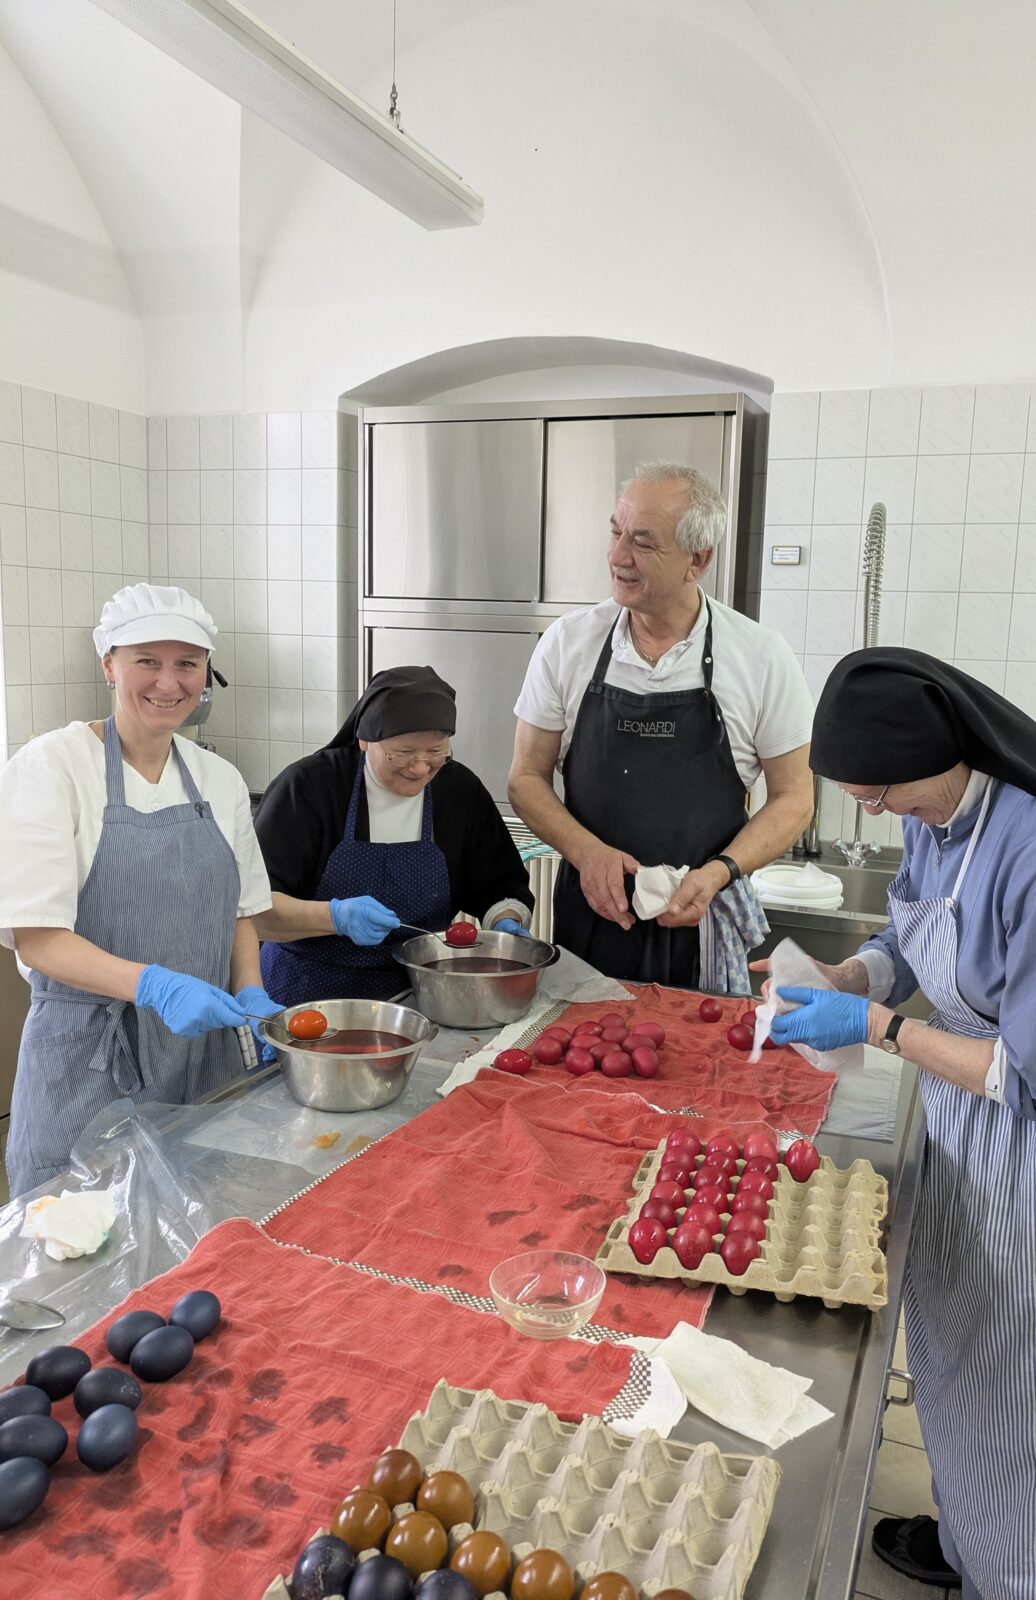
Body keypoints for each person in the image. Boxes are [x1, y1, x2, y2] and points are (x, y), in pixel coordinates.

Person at [766, 647, 1036, 1600]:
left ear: (940, 751)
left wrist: (879, 1029)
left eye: (880, 792)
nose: (874, 813)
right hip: (986, 1120)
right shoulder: (942, 814)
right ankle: (981, 1543)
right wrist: (848, 979)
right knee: (978, 1359)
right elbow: (910, 932)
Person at [0, 584, 279, 1197]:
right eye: (146, 661)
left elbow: (240, 912)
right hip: (87, 1062)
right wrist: (153, 985)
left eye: (187, 663)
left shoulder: (218, 777)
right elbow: (39, 939)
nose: (168, 682)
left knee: (198, 1225)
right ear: (109, 665)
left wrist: (252, 987)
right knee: (78, 1244)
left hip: (201, 1054)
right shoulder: (53, 766)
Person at [508, 461, 814, 987]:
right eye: (615, 530)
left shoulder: (760, 656)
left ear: (699, 559)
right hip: (590, 919)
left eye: (643, 542)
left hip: (705, 925)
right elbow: (525, 777)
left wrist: (720, 872)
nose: (616, 555)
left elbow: (794, 798)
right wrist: (587, 853)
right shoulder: (568, 643)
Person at [253, 665, 534, 1006]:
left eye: (435, 752)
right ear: (365, 740)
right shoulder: (308, 788)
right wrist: (335, 917)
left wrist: (506, 919)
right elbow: (256, 912)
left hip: (419, 996)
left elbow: (498, 884)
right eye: (402, 752)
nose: (420, 768)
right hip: (305, 994)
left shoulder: (458, 790)